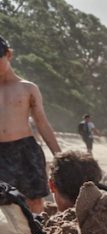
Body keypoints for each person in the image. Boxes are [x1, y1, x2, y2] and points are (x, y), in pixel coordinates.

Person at [0, 35, 62, 213]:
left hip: (25, 150)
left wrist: (58, 156)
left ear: (9, 55)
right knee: (5, 205)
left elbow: (42, 123)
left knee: (34, 201)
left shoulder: (27, 88)